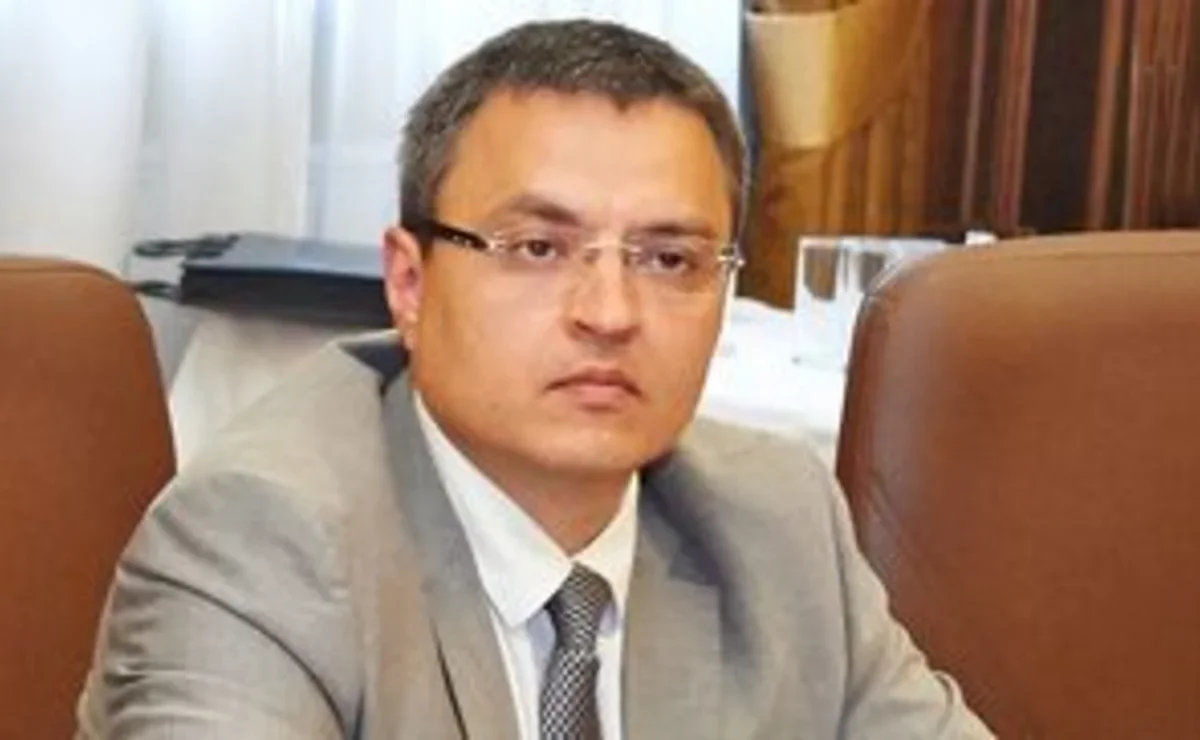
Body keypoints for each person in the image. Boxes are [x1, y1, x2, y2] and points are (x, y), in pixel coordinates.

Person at [77, 19, 992, 739]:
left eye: (670, 258)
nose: (610, 312)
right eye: (538, 249)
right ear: (409, 282)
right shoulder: (263, 539)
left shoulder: (777, 521)